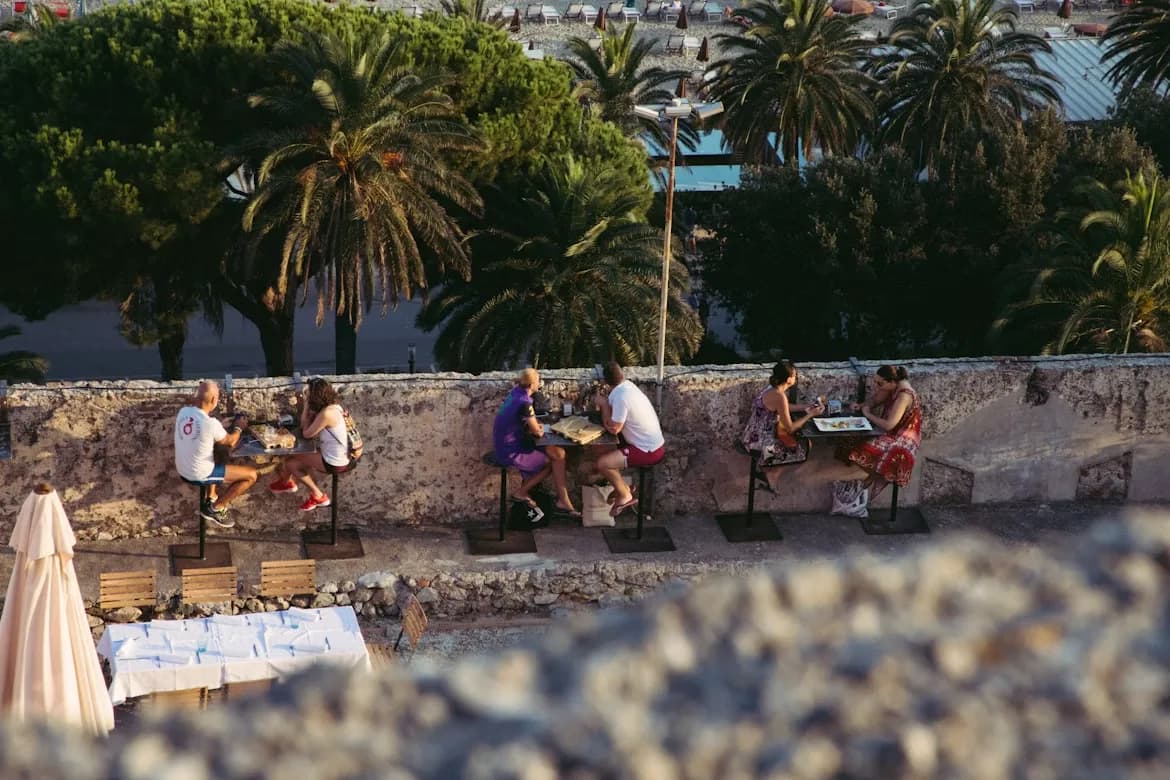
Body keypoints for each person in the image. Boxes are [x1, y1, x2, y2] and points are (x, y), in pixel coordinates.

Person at [493, 368, 579, 518]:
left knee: (558, 453)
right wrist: (539, 427)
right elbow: (538, 433)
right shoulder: (525, 402)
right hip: (511, 450)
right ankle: (522, 492)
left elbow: (524, 421)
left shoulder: (516, 392)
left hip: (504, 443)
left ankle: (563, 501)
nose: (540, 383)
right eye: (538, 381)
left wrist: (534, 425)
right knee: (550, 462)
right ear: (532, 384)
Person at [173, 380, 257, 528]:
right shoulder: (211, 423)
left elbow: (202, 431)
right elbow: (231, 441)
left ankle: (211, 496)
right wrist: (239, 427)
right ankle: (215, 508)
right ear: (213, 400)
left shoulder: (184, 412)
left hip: (182, 469)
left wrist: (220, 426)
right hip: (198, 474)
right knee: (251, 475)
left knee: (216, 452)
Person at [268, 377, 359, 512]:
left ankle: (315, 494)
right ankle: (290, 484)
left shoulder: (326, 413)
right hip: (347, 457)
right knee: (292, 463)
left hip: (336, 462)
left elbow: (306, 432)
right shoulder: (335, 408)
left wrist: (306, 405)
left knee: (291, 456)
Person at [594, 361, 664, 517]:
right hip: (651, 444)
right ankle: (623, 488)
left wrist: (603, 405)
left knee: (602, 464)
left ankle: (625, 495)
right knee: (605, 452)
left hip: (648, 451)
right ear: (622, 375)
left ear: (605, 381)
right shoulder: (628, 387)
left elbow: (614, 428)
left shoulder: (621, 397)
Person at [840, 364, 922, 497]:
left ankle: (879, 477)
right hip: (891, 432)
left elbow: (889, 425)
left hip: (904, 438)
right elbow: (876, 400)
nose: (878, 387)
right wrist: (862, 405)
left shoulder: (904, 396)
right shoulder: (891, 386)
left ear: (892, 382)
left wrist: (868, 415)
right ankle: (876, 477)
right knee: (848, 444)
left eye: (880, 383)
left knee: (862, 449)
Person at [741, 361, 824, 486]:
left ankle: (770, 470)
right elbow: (790, 428)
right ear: (789, 379)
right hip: (760, 444)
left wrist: (806, 407)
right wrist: (810, 415)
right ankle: (772, 472)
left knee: (790, 440)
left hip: (750, 435)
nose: (796, 378)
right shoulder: (780, 396)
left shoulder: (771, 388)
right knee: (803, 448)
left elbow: (784, 407)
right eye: (795, 376)